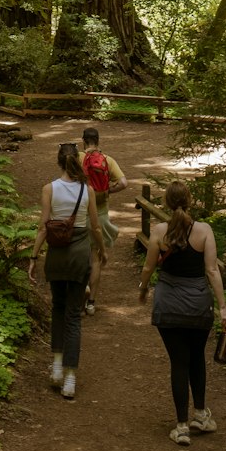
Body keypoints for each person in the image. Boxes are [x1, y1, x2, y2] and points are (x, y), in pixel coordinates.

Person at [138, 179, 226, 446]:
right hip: (198, 305)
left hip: (169, 305)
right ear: (190, 201)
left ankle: (180, 426)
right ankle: (200, 414)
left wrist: (143, 289)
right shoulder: (204, 231)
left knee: (179, 362)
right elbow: (212, 270)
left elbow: (148, 267)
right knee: (197, 358)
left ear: (166, 203)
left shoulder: (159, 232)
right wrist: (222, 307)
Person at [28, 142, 107, 400]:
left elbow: (43, 227)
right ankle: (70, 378)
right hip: (79, 258)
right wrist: (103, 250)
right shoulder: (88, 190)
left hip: (57, 258)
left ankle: (57, 365)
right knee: (73, 316)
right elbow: (95, 227)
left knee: (58, 309)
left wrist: (33, 256)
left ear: (59, 162)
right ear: (77, 162)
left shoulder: (49, 189)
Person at [78, 126, 128, 315]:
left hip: (81, 213)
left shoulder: (78, 158)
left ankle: (83, 289)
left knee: (81, 255)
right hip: (100, 214)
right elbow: (124, 183)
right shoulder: (108, 160)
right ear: (98, 141)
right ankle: (91, 303)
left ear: (84, 141)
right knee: (96, 257)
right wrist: (108, 191)